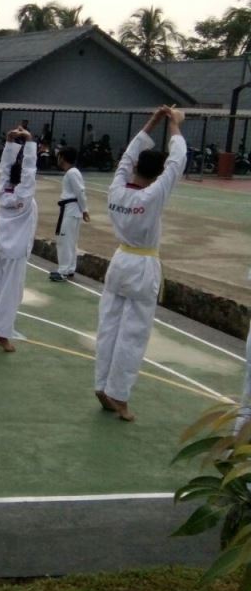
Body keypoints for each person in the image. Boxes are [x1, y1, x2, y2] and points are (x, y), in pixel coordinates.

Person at [94, 106, 186, 422]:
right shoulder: (152, 196)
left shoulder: (117, 190)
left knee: (109, 325)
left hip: (120, 260)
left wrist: (152, 122)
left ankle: (102, 385)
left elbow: (127, 158)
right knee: (133, 333)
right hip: (144, 265)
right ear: (158, 174)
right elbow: (177, 162)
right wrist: (174, 126)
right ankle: (119, 395)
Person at [0, 128, 38, 353]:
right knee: (11, 293)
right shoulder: (24, 197)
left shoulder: (2, 192)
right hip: (15, 252)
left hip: (2, 247)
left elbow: (5, 169)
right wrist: (30, 143)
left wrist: (10, 144)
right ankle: (2, 333)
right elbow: (29, 171)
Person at [49, 146, 89, 282]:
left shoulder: (72, 173)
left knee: (64, 240)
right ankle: (69, 268)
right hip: (71, 209)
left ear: (63, 158)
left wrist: (85, 210)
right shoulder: (72, 172)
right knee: (70, 241)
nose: (57, 159)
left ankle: (63, 271)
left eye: (59, 156)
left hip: (71, 209)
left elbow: (80, 192)